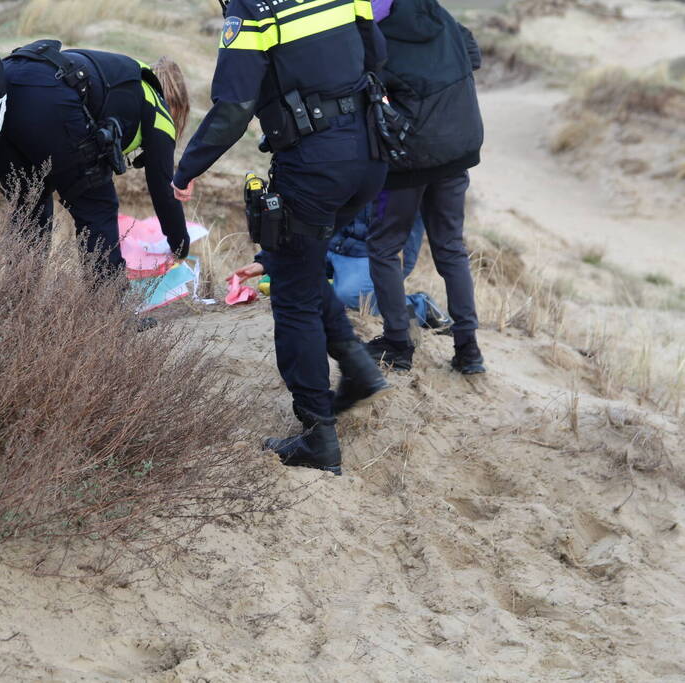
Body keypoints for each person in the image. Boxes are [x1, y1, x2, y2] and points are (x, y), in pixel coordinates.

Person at [174, 0, 391, 475]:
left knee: (293, 298)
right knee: (299, 265)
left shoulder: (251, 12)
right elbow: (377, 55)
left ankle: (319, 437)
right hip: (371, 156)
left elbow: (233, 108)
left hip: (315, 165)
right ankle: (357, 368)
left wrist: (187, 169)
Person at [364, 0, 487, 374]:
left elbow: (358, 84)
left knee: (384, 247)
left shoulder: (370, 31)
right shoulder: (437, 14)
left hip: (408, 154)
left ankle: (398, 345)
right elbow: (473, 56)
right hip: (458, 145)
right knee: (451, 247)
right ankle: (469, 351)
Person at [0, 42, 191, 275]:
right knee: (97, 207)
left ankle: (17, 300)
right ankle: (108, 305)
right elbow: (163, 190)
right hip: (50, 95)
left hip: (4, 81)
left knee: (30, 204)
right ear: (177, 106)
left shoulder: (123, 79)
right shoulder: (158, 107)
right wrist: (180, 246)